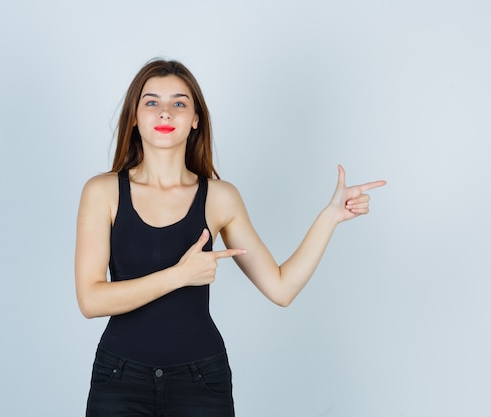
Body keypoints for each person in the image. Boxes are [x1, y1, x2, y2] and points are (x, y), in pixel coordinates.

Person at [75, 58, 386, 416]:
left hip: (200, 380)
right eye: (151, 102)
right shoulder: (103, 192)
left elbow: (281, 289)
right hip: (119, 378)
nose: (165, 113)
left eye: (179, 103)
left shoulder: (221, 197)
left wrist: (330, 217)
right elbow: (90, 299)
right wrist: (180, 275)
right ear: (134, 116)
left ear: (195, 120)